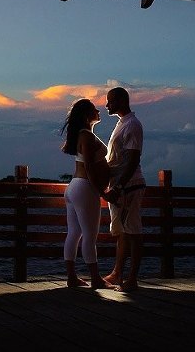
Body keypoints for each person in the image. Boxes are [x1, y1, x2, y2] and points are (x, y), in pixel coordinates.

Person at [60, 98, 114, 289]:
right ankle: (95, 279)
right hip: (85, 188)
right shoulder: (87, 137)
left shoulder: (82, 135)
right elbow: (90, 168)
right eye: (94, 109)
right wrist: (103, 193)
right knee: (90, 235)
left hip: (75, 187)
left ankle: (72, 277)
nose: (98, 111)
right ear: (86, 115)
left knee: (74, 233)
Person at [102, 87, 146, 292]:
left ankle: (132, 279)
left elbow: (132, 159)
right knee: (122, 232)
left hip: (129, 186)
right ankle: (118, 273)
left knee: (133, 231)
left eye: (110, 101)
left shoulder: (132, 125)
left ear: (121, 100)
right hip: (120, 186)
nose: (106, 105)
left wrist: (119, 186)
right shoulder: (122, 124)